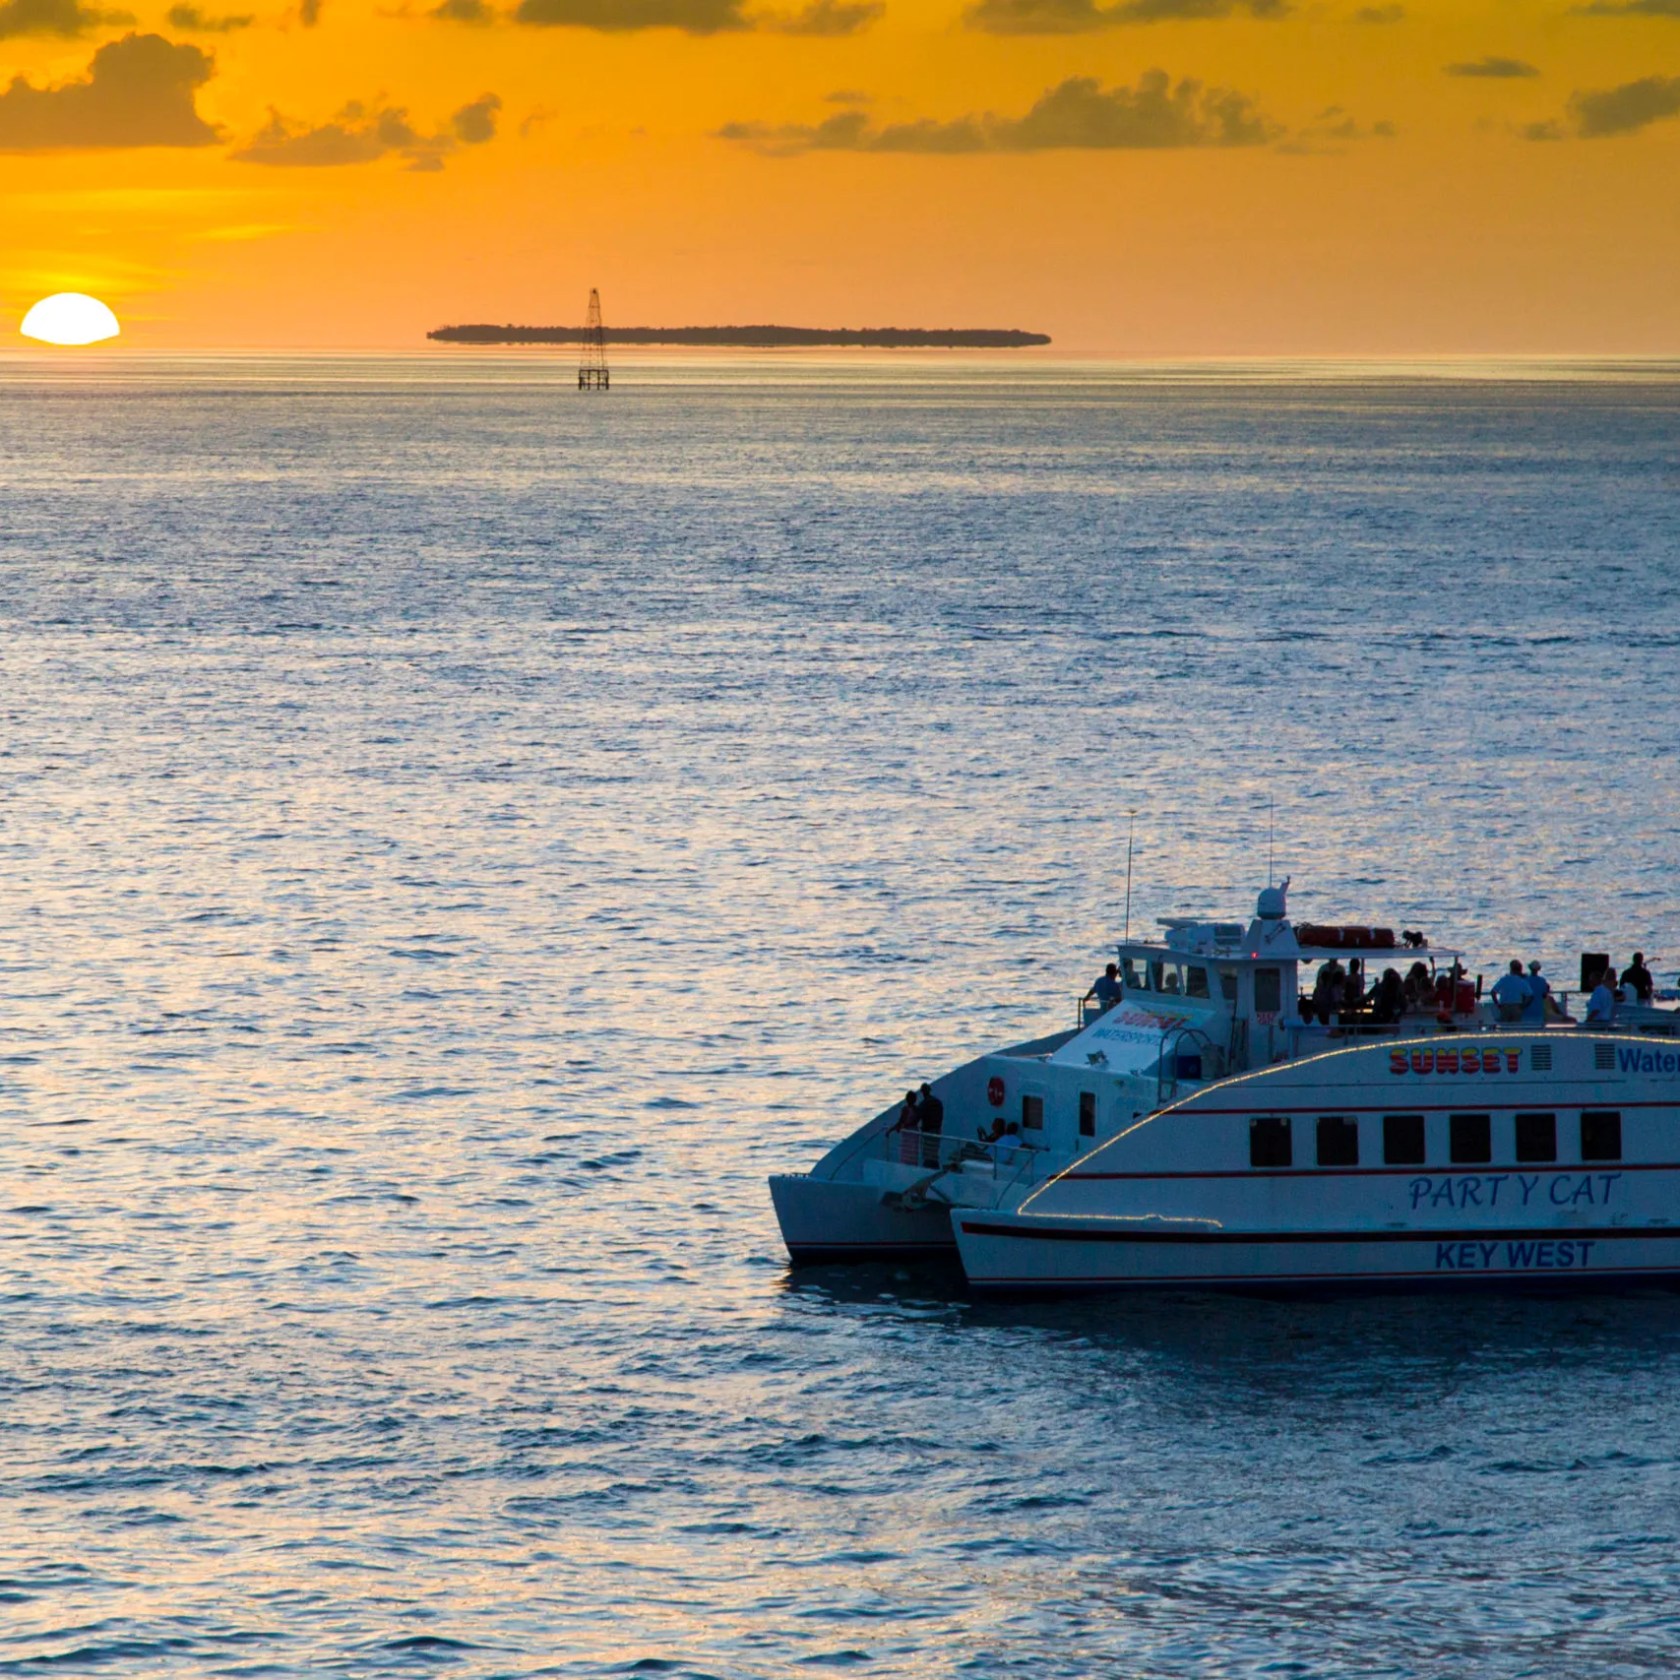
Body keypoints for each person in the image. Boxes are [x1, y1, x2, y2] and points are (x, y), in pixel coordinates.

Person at [1522, 960, 1552, 1024]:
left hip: (1526, 1011)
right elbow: (1545, 995)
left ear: (1530, 968)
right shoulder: (1542, 981)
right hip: (1539, 1011)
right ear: (1539, 969)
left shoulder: (1525, 980)